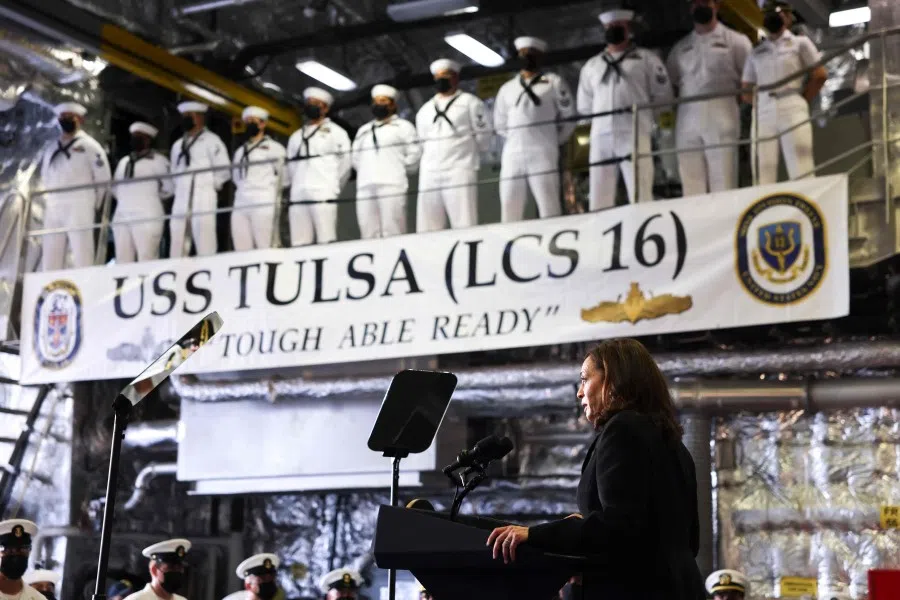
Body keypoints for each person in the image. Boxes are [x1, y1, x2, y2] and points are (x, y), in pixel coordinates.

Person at [487, 339, 705, 600]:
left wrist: (534, 535)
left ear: (613, 379)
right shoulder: (674, 444)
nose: (579, 393)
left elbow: (618, 527)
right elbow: (685, 538)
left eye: (584, 379)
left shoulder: (623, 429)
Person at [577, 10, 674, 210]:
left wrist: (647, 121)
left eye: (617, 26)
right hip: (601, 136)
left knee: (640, 193)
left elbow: (663, 96)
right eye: (609, 27)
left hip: (634, 132)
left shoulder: (646, 59)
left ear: (628, 29)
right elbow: (585, 106)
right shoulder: (592, 66)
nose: (613, 30)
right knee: (599, 197)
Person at [666, 0, 751, 197]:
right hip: (687, 116)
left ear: (716, 5)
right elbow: (672, 83)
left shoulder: (736, 41)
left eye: (705, 1)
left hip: (722, 112)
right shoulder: (680, 48)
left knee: (723, 181)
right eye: (696, 2)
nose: (700, 6)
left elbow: (749, 79)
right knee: (691, 185)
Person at [741, 0, 827, 185]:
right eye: (768, 13)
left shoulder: (800, 43)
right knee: (763, 169)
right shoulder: (756, 51)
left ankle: (804, 202)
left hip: (792, 102)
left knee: (801, 165)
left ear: (788, 17)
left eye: (777, 12)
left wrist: (803, 98)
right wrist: (761, 103)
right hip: (764, 108)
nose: (772, 16)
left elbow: (819, 75)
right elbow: (746, 88)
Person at [494, 36, 576, 222]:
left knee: (548, 204)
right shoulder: (507, 88)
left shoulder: (553, 82)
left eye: (531, 54)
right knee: (509, 204)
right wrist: (519, 136)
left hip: (542, 151)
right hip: (513, 153)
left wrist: (554, 140)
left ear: (539, 57)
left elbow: (569, 116)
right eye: (522, 54)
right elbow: (500, 124)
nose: (526, 57)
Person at [415, 58, 492, 232]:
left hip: (459, 169)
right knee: (427, 225)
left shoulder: (471, 102)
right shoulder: (425, 110)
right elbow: (422, 141)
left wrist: (469, 155)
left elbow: (484, 135)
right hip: (430, 171)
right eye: (438, 77)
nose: (442, 80)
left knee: (464, 221)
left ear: (456, 78)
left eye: (446, 76)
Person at [39, 102, 111, 271]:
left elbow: (103, 178)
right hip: (55, 204)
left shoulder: (90, 146)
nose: (65, 120)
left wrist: (93, 203)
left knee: (81, 252)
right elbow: (45, 176)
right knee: (50, 254)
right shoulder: (52, 148)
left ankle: (85, 284)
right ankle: (50, 284)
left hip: (80, 203)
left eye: (69, 117)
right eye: (62, 117)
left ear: (80, 120)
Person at [352, 84, 421, 239]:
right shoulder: (364, 130)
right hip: (365, 185)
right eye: (376, 101)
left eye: (383, 101)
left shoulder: (403, 126)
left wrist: (397, 168)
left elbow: (414, 154)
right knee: (368, 230)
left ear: (392, 104)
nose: (378, 105)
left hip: (392, 183)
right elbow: (355, 158)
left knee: (393, 227)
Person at [286, 87, 352, 246]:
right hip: (299, 191)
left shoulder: (337, 132)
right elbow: (291, 166)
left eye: (316, 103)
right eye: (309, 103)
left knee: (325, 237)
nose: (311, 106)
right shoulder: (296, 136)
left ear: (325, 108)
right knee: (299, 241)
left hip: (324, 189)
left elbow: (346, 163)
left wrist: (333, 185)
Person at [169, 101, 230, 258]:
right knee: (177, 237)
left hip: (203, 195)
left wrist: (211, 185)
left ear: (200, 118)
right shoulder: (178, 145)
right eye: (184, 116)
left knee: (205, 237)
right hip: (182, 196)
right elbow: (173, 172)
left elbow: (224, 169)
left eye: (189, 116)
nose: (186, 119)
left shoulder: (212, 140)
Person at [112, 122, 173, 263]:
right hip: (122, 215)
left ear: (148, 140)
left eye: (140, 137)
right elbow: (115, 188)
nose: (136, 139)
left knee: (146, 258)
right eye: (134, 136)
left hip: (147, 215)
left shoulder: (159, 161)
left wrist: (151, 198)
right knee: (122, 260)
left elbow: (170, 188)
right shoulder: (124, 161)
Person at [231, 106, 287, 251]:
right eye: (247, 121)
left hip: (263, 198)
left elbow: (285, 176)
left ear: (262, 124)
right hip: (241, 199)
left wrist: (272, 192)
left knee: (265, 244)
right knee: (241, 246)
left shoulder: (274, 148)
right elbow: (236, 176)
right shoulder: (240, 151)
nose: (249, 124)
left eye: (253, 121)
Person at [0, 520, 45, 600]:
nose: (16, 555)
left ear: (29, 551)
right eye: (10, 550)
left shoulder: (37, 598)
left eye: (23, 549)